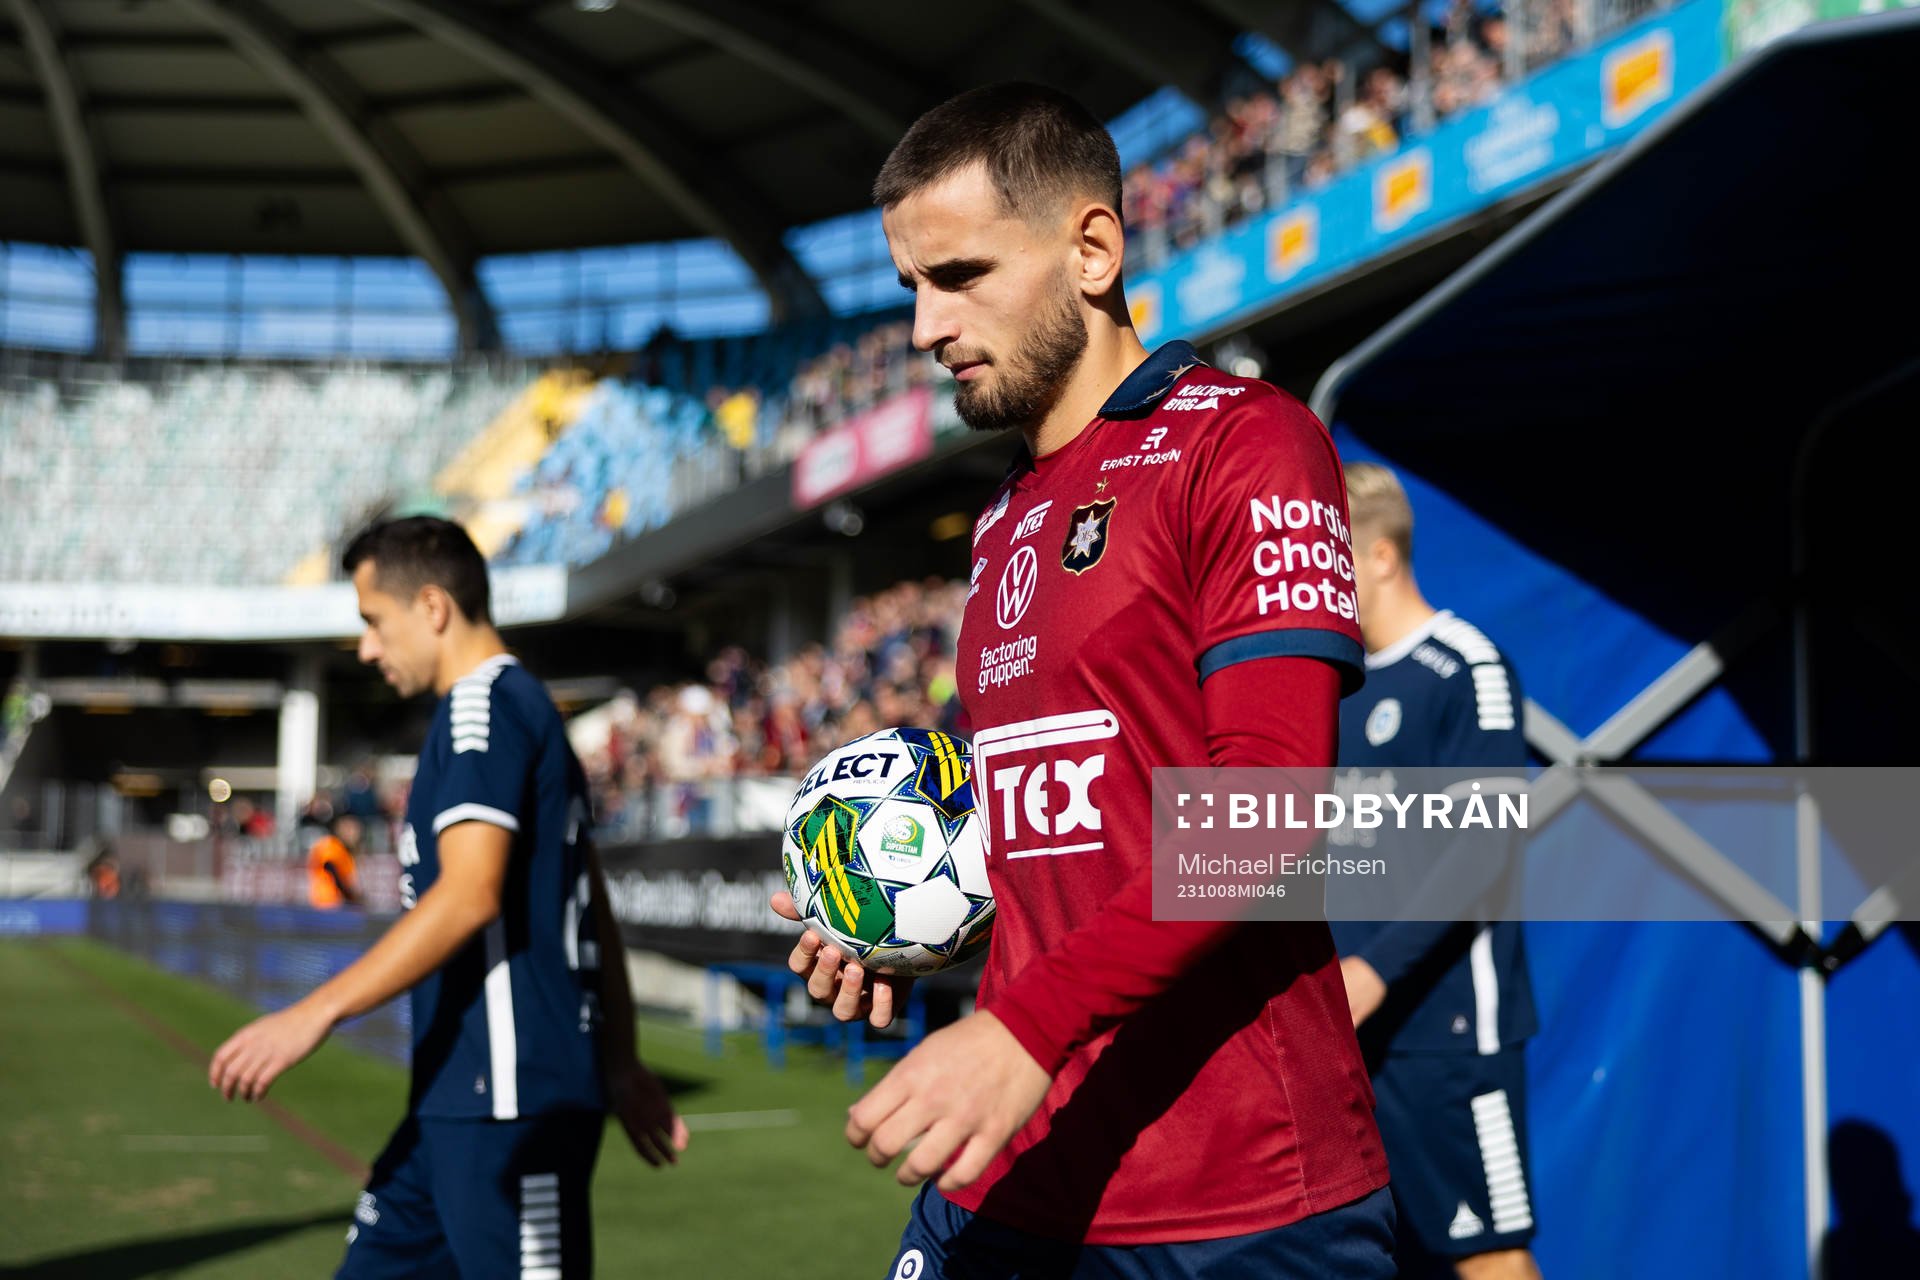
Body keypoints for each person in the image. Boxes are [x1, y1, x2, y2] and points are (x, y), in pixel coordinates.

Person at [772, 83, 1394, 1278]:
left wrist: (1022, 1025)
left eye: (957, 275)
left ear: (1093, 248)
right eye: (910, 286)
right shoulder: (1003, 514)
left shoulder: (1245, 441)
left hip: (1238, 1203)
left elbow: (1267, 809)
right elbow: (1063, 832)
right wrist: (907, 923)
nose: (922, 327)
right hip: (1018, 1167)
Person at [208, 516, 687, 1280]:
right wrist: (621, 1060)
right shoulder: (519, 708)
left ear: (432, 607)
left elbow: (469, 896)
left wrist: (313, 1012)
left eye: (374, 621)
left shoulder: (484, 709)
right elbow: (587, 900)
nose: (366, 647)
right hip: (454, 1103)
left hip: (509, 1105)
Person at [1333, 462, 1543, 1280]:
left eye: (1329, 553)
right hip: (1345, 1033)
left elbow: (1485, 851)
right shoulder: (1331, 687)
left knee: (1486, 1256)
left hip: (1448, 1034)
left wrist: (1374, 972)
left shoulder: (1466, 668)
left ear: (1380, 556)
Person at [308, 813, 363, 910]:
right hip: (327, 903)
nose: (352, 833)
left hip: (336, 904)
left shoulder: (344, 851)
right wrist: (350, 896)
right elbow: (331, 868)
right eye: (348, 828)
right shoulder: (331, 845)